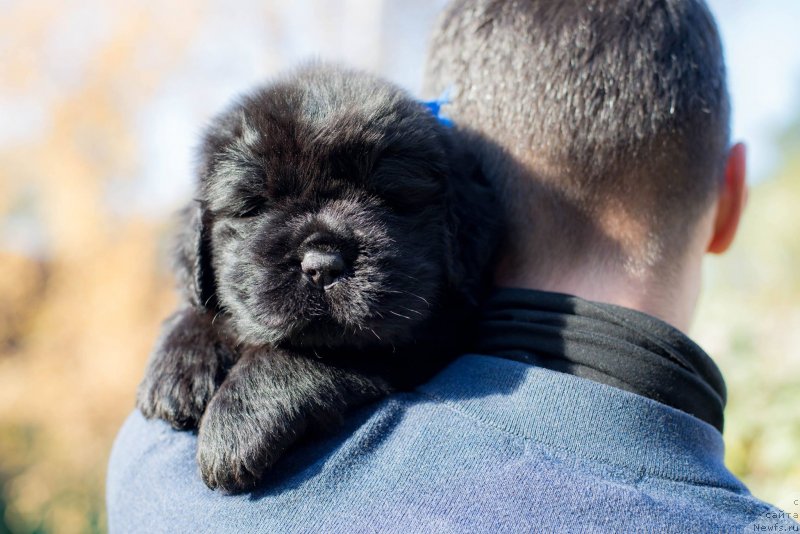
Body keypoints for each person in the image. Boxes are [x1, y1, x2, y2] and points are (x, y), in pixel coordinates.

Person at [107, 0, 797, 531]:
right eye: (257, 206)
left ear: (462, 219)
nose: (319, 254)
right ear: (731, 193)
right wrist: (201, 326)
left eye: (389, 200)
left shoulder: (150, 465)